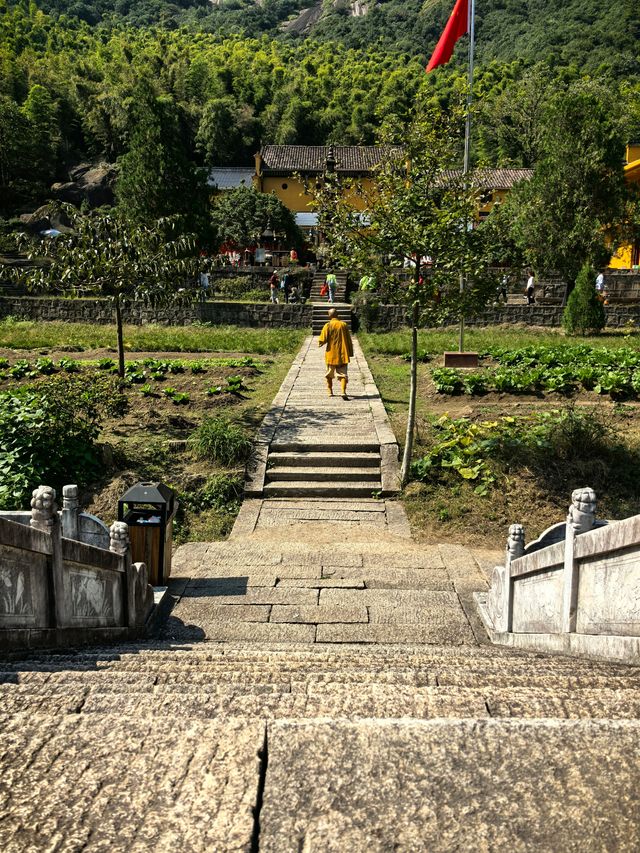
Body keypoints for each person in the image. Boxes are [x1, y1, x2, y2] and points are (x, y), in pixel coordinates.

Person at [318, 307, 354, 400]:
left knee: (329, 373)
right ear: (337, 315)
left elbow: (322, 339)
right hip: (342, 353)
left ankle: (330, 391)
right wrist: (350, 352)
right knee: (343, 374)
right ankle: (343, 391)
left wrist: (320, 343)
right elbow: (348, 340)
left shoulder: (328, 325)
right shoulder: (343, 325)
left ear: (329, 316)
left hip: (331, 354)